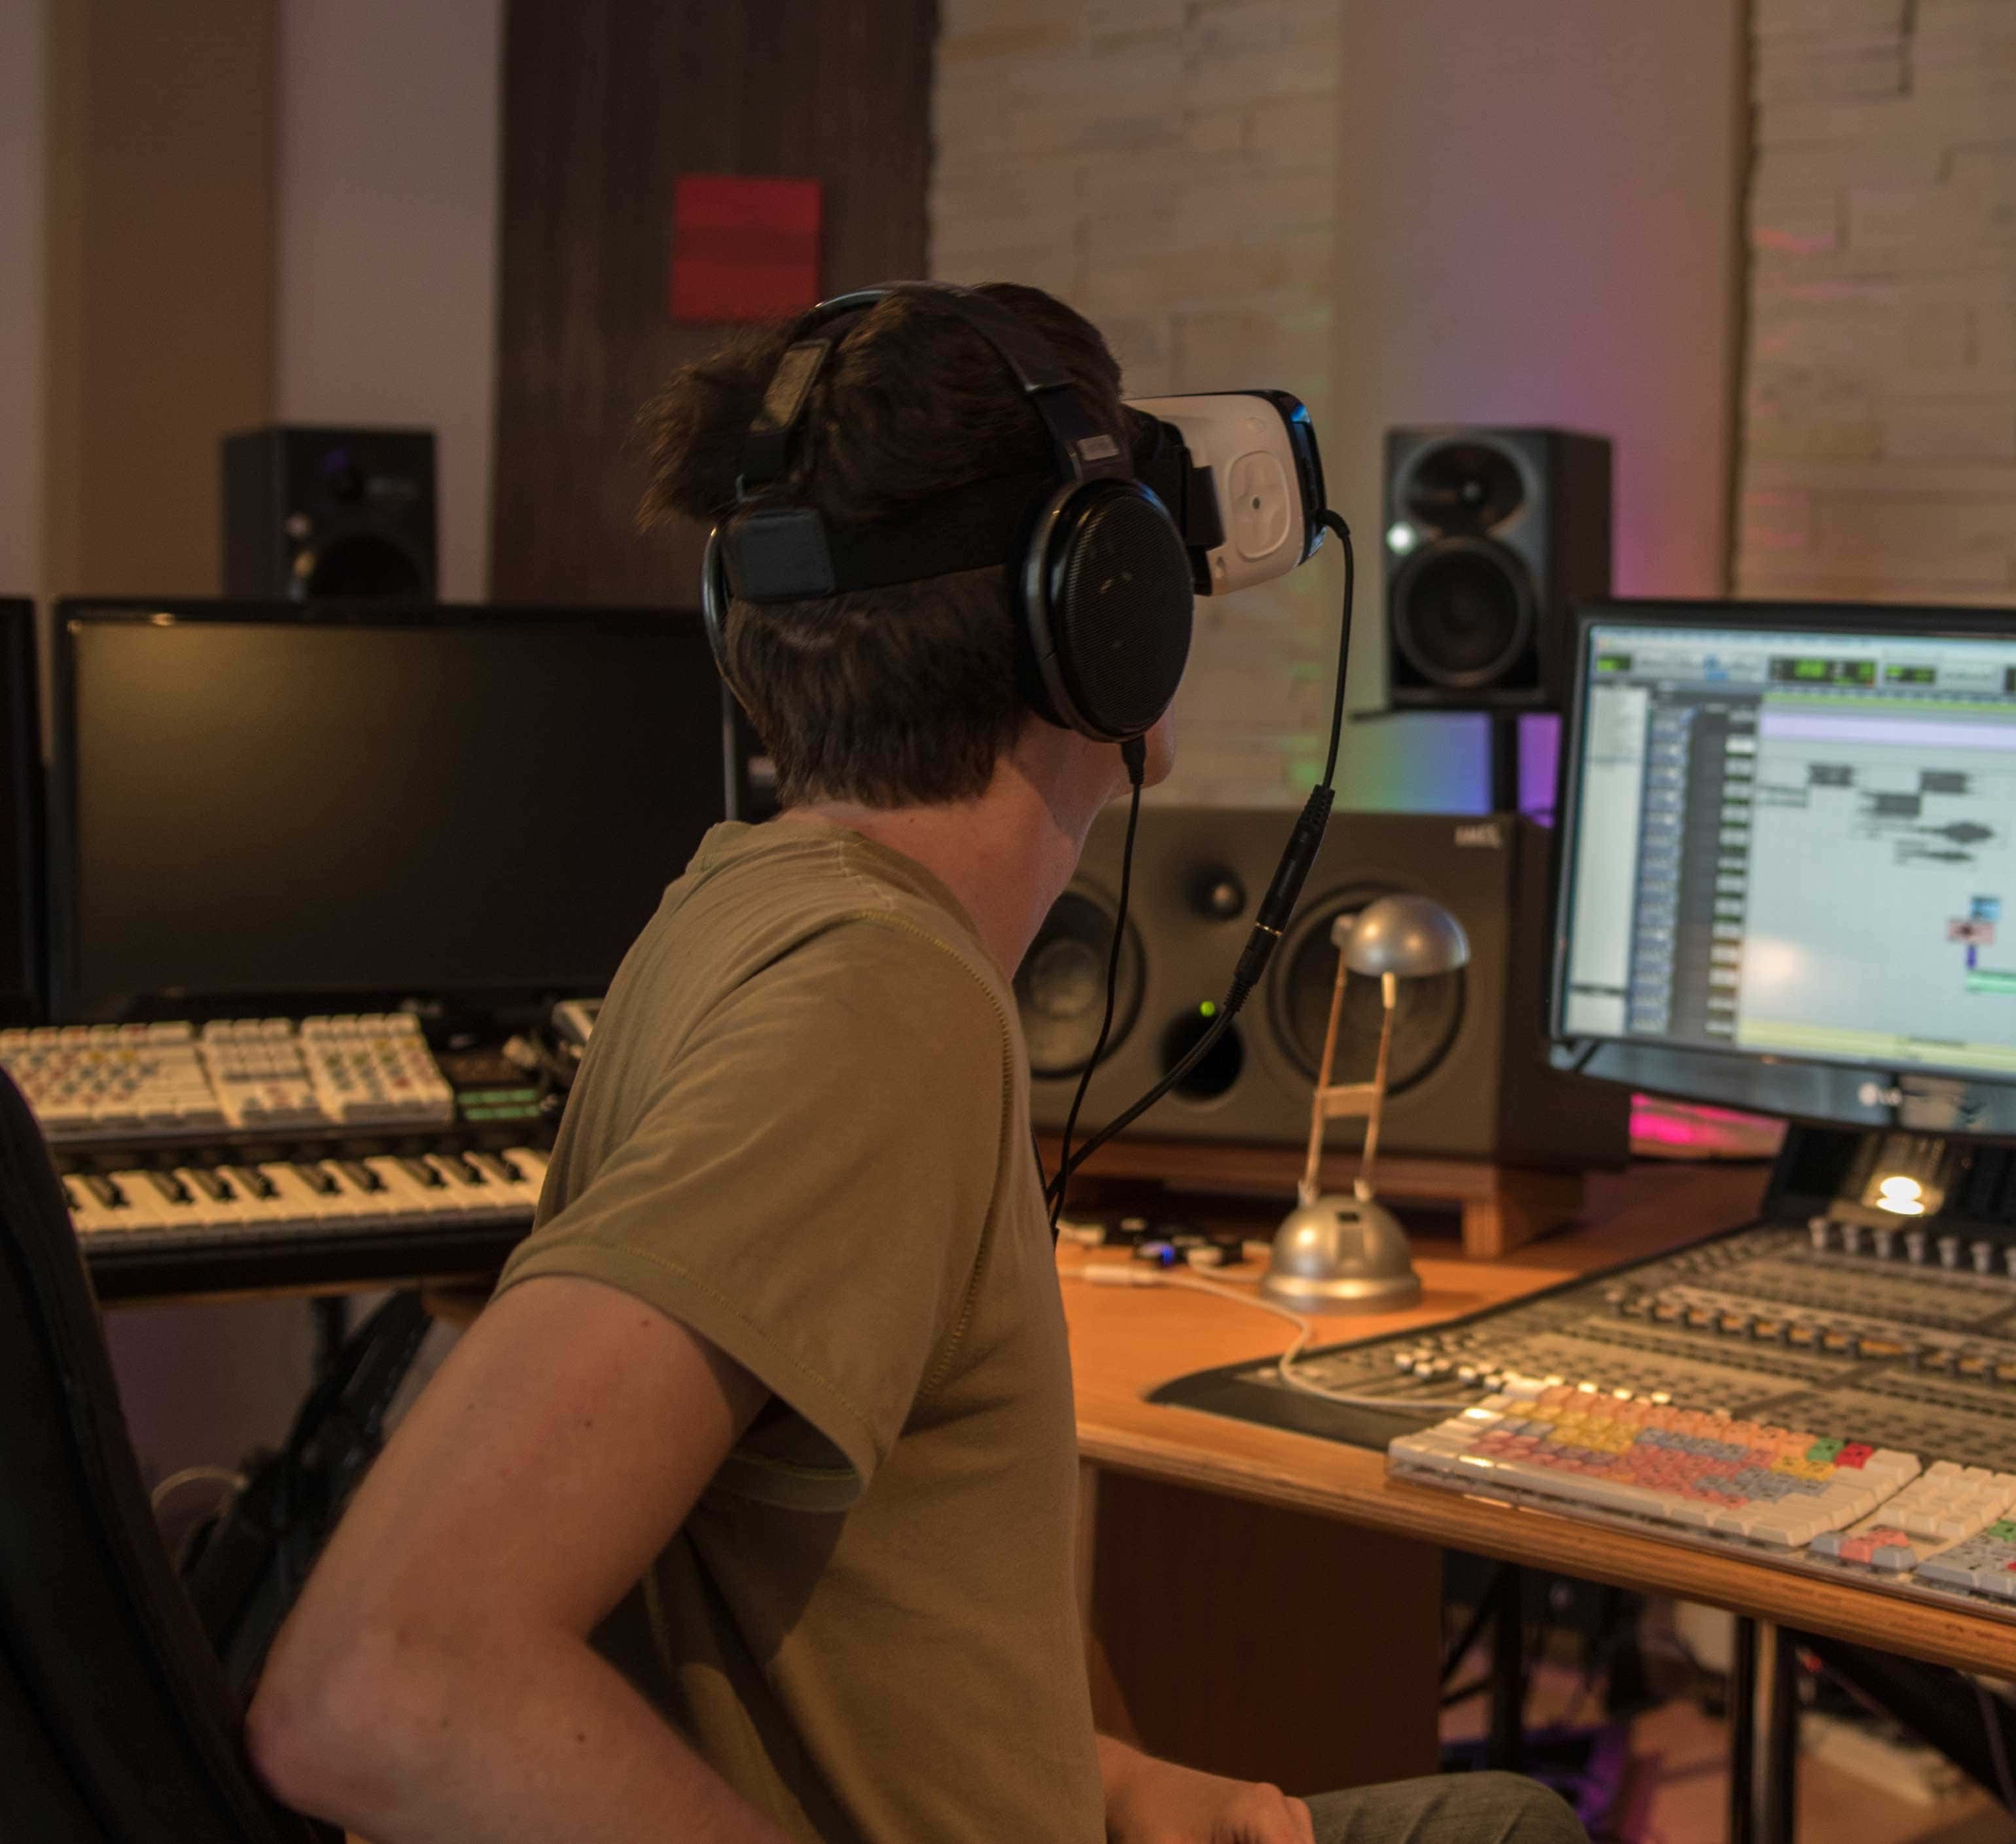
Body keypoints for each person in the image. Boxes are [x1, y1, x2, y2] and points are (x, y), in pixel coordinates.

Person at [245, 283, 1586, 1844]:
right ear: (1108, 614)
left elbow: (806, 1644)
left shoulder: (741, 902)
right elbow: (383, 1678)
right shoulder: (873, 1007)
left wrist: (1116, 1781)